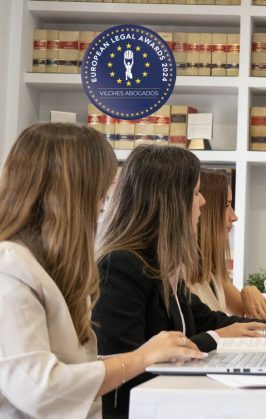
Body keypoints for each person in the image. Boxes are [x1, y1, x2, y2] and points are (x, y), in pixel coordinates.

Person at [0, 123, 205, 418]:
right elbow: (41, 389)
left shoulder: (47, 267)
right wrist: (141, 358)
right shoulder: (10, 268)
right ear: (73, 194)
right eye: (100, 194)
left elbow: (75, 368)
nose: (103, 206)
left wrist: (147, 355)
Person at [92, 145, 266, 418]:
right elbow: (125, 369)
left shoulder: (160, 266)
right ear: (170, 202)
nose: (203, 201)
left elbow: (211, 321)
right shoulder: (119, 266)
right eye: (196, 192)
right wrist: (216, 338)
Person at [191, 169, 266, 321]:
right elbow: (230, 326)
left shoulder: (212, 270)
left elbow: (247, 317)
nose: (234, 216)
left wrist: (248, 290)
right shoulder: (182, 274)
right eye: (226, 205)